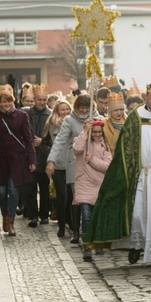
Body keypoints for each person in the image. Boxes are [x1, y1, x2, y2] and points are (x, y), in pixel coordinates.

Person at [84, 81, 151, 270]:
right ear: (146, 97)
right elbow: (125, 147)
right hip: (141, 173)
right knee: (138, 212)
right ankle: (136, 245)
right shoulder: (136, 116)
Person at [46, 94, 97, 243]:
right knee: (78, 198)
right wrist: (51, 160)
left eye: (86, 108)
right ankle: (76, 230)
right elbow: (60, 141)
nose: (83, 111)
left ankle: (91, 229)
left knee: (93, 198)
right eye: (81, 108)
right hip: (75, 163)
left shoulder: (97, 117)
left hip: (94, 163)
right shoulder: (69, 120)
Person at [0, 89, 37, 237]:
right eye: (4, 101)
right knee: (2, 192)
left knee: (14, 189)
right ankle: (4, 215)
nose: (7, 104)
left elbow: (28, 138)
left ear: (13, 101)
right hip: (1, 158)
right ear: (0, 103)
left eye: (9, 101)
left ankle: (11, 220)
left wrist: (32, 159)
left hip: (17, 158)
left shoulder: (22, 116)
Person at [73, 119, 112, 262]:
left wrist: (93, 160)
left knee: (97, 216)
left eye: (98, 132)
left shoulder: (104, 146)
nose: (96, 135)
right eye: (93, 132)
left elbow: (108, 166)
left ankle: (98, 241)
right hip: (84, 182)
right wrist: (84, 132)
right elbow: (77, 149)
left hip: (98, 185)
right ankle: (87, 246)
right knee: (86, 216)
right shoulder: (82, 142)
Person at [23, 84, 52, 227]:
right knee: (31, 188)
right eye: (39, 99)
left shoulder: (51, 114)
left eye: (44, 100)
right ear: (34, 99)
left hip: (45, 156)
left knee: (45, 187)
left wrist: (43, 141)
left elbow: (54, 136)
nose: (41, 102)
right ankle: (33, 215)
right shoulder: (26, 114)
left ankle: (44, 214)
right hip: (31, 155)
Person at [42, 98, 71, 231]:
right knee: (61, 195)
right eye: (62, 110)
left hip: (72, 164)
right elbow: (45, 142)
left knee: (71, 196)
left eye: (67, 109)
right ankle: (61, 224)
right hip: (58, 165)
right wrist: (52, 156)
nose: (65, 112)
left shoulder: (73, 123)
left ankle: (70, 222)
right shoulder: (52, 124)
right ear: (57, 112)